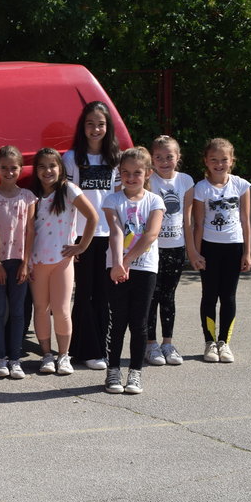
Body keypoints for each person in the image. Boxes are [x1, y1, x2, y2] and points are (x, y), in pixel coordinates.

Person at [28, 148, 98, 375]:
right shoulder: (32, 195)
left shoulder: (68, 190)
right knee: (40, 308)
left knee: (61, 310)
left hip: (62, 261)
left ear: (60, 168)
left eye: (52, 166)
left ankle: (63, 355)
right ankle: (47, 355)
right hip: (37, 261)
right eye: (42, 166)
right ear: (36, 170)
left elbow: (92, 217)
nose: (47, 171)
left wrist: (82, 246)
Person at [63, 102, 121, 370]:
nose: (95, 129)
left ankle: (100, 348)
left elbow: (121, 198)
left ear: (107, 127)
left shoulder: (117, 159)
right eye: (90, 124)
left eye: (100, 124)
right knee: (83, 293)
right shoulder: (71, 158)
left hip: (109, 235)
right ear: (82, 127)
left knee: (103, 294)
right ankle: (85, 350)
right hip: (81, 235)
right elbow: (67, 200)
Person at [101, 147, 164, 395]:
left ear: (147, 173)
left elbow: (151, 234)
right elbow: (116, 231)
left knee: (139, 323)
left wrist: (126, 262)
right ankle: (113, 370)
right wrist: (117, 263)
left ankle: (135, 372)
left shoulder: (155, 201)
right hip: (115, 267)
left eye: (137, 172)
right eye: (125, 172)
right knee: (117, 322)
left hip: (144, 268)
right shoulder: (112, 200)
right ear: (119, 173)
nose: (130, 177)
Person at [188, 138, 251, 364]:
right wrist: (195, 253)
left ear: (231, 161)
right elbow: (198, 222)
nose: (219, 164)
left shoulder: (241, 185)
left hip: (234, 247)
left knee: (228, 296)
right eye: (213, 160)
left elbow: (245, 221)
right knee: (209, 295)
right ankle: (209, 342)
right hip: (209, 248)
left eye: (224, 159)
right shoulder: (201, 188)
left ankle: (224, 342)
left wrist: (247, 252)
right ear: (206, 161)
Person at [0, 146, 36, 379]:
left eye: (13, 167)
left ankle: (15, 358)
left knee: (17, 311)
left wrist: (26, 263)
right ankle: (0, 358)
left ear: (20, 169)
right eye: (4, 167)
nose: (8, 172)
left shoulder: (27, 197)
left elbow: (30, 231)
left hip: (19, 262)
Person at [145, 135, 194, 366]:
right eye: (158, 157)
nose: (164, 161)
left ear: (178, 157)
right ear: (152, 159)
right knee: (151, 296)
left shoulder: (186, 181)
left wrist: (192, 251)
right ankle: (150, 344)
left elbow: (188, 220)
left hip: (176, 248)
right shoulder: (148, 179)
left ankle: (167, 343)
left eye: (169, 156)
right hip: (151, 249)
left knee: (168, 296)